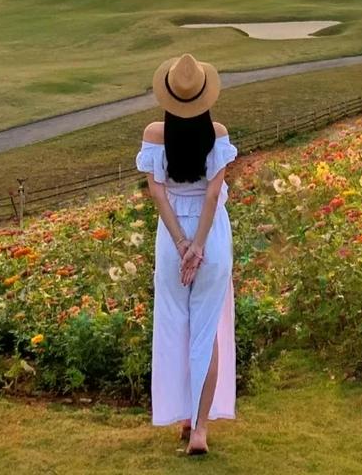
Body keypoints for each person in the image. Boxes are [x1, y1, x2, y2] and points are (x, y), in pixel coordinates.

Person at [136, 52, 238, 456]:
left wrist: (181, 243)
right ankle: (198, 429)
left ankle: (184, 416)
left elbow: (157, 191)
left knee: (176, 325)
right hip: (210, 235)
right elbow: (213, 193)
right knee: (205, 330)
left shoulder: (154, 133)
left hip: (172, 233)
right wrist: (198, 244)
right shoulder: (218, 132)